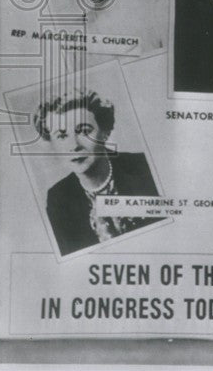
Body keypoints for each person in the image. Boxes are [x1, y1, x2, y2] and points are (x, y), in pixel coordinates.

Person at [33, 88, 162, 256]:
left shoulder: (145, 167)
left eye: (85, 131)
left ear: (105, 132)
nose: (74, 145)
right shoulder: (59, 199)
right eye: (62, 136)